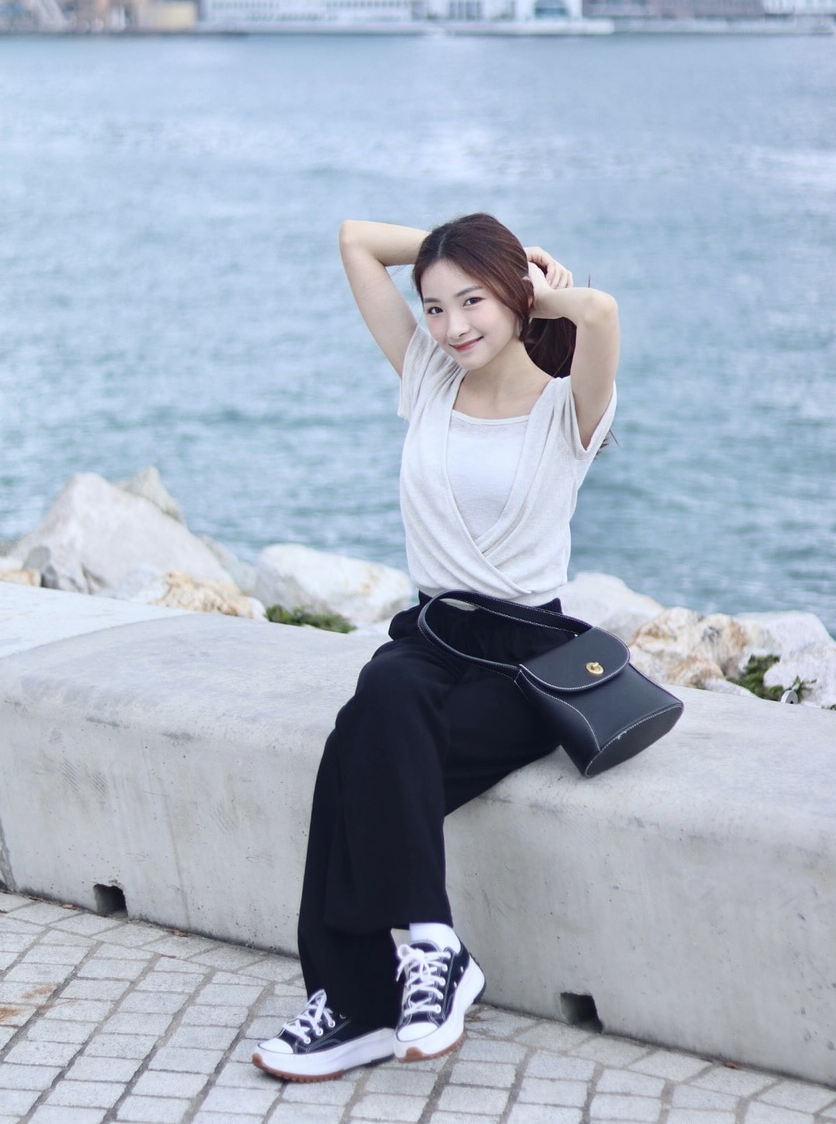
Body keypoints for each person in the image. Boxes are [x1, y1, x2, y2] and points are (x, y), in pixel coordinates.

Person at [253, 213, 619, 1083]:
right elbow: (353, 237)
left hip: (524, 661)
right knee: (384, 698)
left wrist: (523, 274)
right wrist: (459, 256)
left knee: (357, 750)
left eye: (473, 302)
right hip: (429, 636)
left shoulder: (569, 408)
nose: (453, 326)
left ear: (517, 299)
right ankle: (430, 945)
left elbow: (599, 312)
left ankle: (355, 1002)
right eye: (435, 306)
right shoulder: (426, 374)